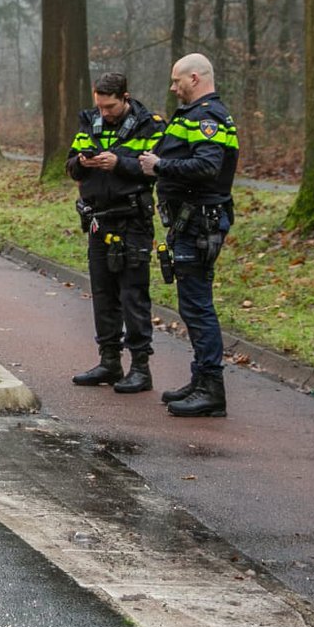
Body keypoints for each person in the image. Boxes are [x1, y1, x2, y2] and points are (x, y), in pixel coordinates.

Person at [140, 52, 239, 417]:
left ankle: (211, 388)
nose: (172, 87)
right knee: (192, 304)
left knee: (197, 306)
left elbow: (208, 166)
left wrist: (160, 165)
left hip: (199, 222)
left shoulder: (207, 116)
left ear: (195, 78)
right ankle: (201, 380)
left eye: (176, 80)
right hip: (192, 221)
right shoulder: (198, 115)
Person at [66, 72, 167, 393]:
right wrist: (83, 163)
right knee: (103, 294)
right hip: (98, 220)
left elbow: (157, 169)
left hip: (132, 221)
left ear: (125, 97)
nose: (104, 113)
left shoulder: (149, 125)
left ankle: (140, 368)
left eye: (110, 107)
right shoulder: (89, 123)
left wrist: (118, 163)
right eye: (100, 106)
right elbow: (70, 166)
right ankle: (109, 361)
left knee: (132, 294)